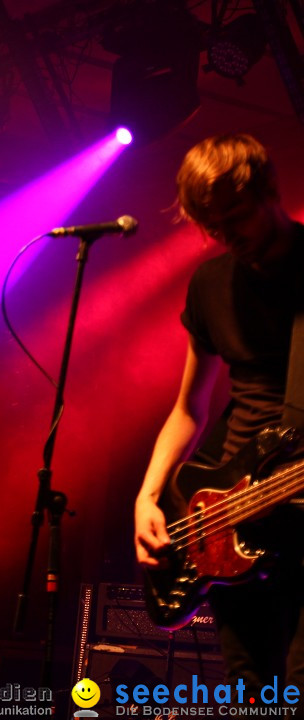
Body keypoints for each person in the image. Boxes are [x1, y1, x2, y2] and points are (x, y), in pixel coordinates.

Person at [133, 134, 302, 700]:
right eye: (213, 226)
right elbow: (189, 407)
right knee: (251, 694)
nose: (228, 236)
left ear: (269, 191)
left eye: (236, 217)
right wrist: (148, 496)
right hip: (228, 513)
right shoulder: (209, 284)